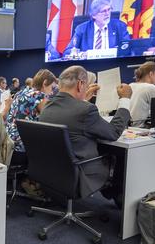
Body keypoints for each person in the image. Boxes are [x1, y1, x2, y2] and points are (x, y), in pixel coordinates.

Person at [38, 65, 132, 199]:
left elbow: (72, 117)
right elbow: (114, 132)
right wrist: (125, 99)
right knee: (120, 155)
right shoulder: (86, 110)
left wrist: (82, 101)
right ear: (81, 84)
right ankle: (116, 198)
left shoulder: (47, 107)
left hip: (53, 171)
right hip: (80, 172)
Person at [5, 69, 57, 154]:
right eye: (52, 88)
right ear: (45, 83)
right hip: (22, 146)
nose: (51, 92)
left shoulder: (21, 92)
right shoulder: (39, 96)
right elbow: (50, 120)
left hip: (9, 142)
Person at [63, 0, 131, 56]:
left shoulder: (119, 26)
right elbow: (68, 52)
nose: (107, 14)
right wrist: (82, 54)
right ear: (94, 15)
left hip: (114, 65)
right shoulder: (82, 29)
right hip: (88, 67)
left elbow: (128, 48)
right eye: (103, 11)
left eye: (109, 9)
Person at [129, 61, 155, 127]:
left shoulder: (130, 85)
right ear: (151, 74)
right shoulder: (150, 87)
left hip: (128, 127)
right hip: (141, 127)